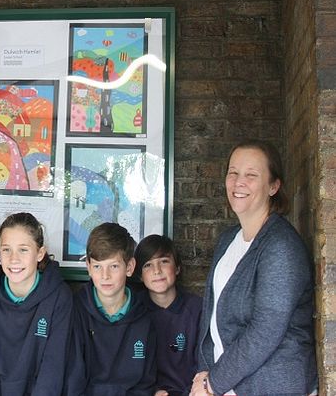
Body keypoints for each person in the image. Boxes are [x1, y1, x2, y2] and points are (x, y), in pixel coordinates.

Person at [190, 140, 318, 396]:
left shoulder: (281, 246)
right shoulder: (228, 239)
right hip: (227, 383)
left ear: (273, 186)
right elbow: (212, 320)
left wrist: (213, 383)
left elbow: (265, 331)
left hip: (271, 386)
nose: (239, 182)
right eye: (233, 172)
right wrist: (205, 376)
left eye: (251, 175)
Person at [0, 212, 72, 396]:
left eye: (23, 249)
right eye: (6, 249)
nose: (13, 259)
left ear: (40, 253)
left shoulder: (59, 297)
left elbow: (52, 368)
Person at [65, 222, 156, 396]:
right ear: (89, 268)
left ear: (129, 267)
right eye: (98, 266)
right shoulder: (75, 311)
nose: (105, 275)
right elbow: (72, 379)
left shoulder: (144, 318)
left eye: (114, 266)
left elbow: (146, 383)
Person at [135, 234, 201, 396]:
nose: (157, 271)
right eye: (148, 265)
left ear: (177, 268)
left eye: (164, 261)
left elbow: (205, 360)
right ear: (139, 275)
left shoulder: (197, 308)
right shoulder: (134, 309)